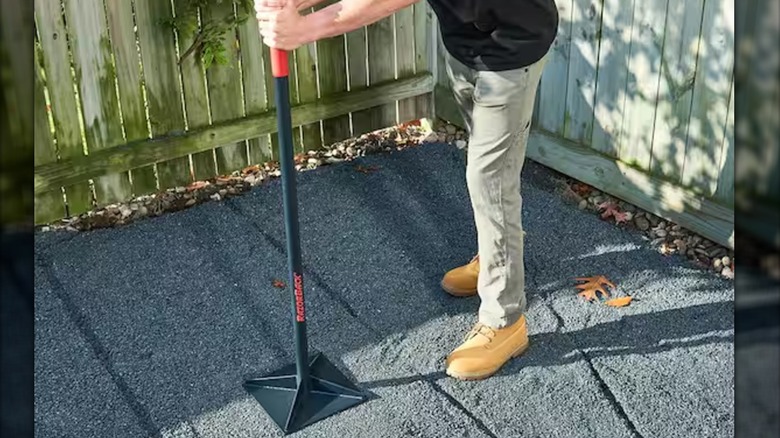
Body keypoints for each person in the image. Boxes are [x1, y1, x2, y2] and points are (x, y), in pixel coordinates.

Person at [255, 0, 558, 380]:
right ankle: (495, 259)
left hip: (513, 50)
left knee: (490, 181)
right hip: (467, 44)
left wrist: (306, 28)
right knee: (493, 174)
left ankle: (505, 320)